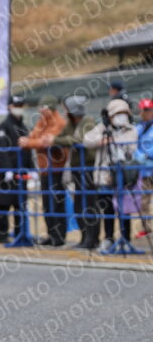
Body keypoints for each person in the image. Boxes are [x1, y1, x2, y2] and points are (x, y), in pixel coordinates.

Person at [83, 98, 138, 251]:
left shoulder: (131, 129)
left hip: (124, 175)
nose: (121, 116)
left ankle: (125, 239)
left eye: (124, 113)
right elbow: (87, 140)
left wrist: (113, 139)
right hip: (105, 175)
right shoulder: (103, 128)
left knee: (124, 208)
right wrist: (102, 140)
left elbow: (130, 146)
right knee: (107, 208)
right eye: (117, 114)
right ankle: (108, 238)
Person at [19, 95, 66, 246]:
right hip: (45, 169)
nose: (40, 111)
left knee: (57, 203)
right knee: (47, 204)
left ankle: (59, 236)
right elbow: (34, 136)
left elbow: (45, 141)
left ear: (50, 109)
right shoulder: (42, 121)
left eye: (43, 108)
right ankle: (51, 234)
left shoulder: (59, 122)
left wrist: (29, 142)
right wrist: (31, 141)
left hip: (56, 169)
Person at [53, 97, 97, 249]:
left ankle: (92, 238)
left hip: (89, 167)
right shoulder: (71, 124)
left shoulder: (88, 121)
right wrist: (59, 139)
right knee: (78, 204)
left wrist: (58, 140)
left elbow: (78, 139)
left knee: (90, 204)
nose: (65, 111)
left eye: (66, 108)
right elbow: (62, 137)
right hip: (77, 169)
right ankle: (84, 237)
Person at [0, 94, 33, 243]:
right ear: (9, 107)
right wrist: (7, 170)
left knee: (20, 204)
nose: (19, 109)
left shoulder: (23, 127)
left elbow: (28, 149)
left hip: (21, 172)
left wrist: (31, 168)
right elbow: (2, 150)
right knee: (4, 204)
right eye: (16, 106)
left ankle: (19, 233)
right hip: (8, 174)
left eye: (21, 106)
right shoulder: (3, 127)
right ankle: (2, 234)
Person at [134, 98, 153, 237]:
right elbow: (132, 145)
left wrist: (148, 155)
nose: (146, 112)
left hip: (149, 165)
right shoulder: (138, 128)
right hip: (144, 171)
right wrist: (139, 156)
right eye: (144, 110)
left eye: (148, 109)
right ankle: (147, 229)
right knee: (144, 201)